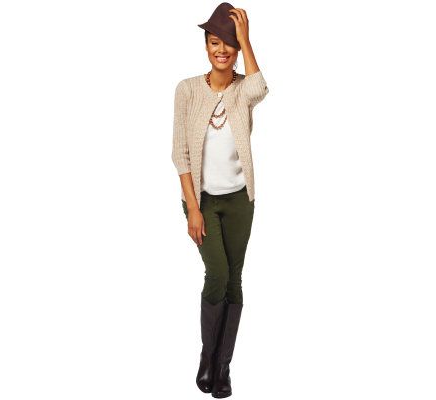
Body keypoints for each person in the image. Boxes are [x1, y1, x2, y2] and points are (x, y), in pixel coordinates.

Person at [171, 2, 269, 398]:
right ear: (206, 46)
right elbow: (180, 153)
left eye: (229, 43)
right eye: (215, 42)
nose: (222, 50)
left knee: (235, 280)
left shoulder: (243, 89)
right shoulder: (188, 90)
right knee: (218, 274)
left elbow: (261, 88)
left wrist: (245, 38)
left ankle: (223, 367)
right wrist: (193, 209)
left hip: (240, 201)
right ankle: (207, 359)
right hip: (204, 203)